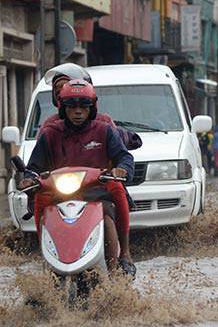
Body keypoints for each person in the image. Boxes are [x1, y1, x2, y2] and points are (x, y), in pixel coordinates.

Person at [21, 79, 135, 275]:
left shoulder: (104, 130)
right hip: (59, 192)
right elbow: (33, 167)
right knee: (40, 199)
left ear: (92, 107)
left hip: (96, 191)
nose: (78, 111)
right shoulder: (50, 133)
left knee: (112, 202)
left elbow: (124, 157)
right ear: (62, 108)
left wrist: (121, 169)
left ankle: (123, 256)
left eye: (84, 105)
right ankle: (46, 263)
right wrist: (29, 178)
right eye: (72, 106)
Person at [41, 63, 142, 151]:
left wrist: (121, 167)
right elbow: (38, 161)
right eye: (58, 92)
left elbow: (120, 154)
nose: (78, 111)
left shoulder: (104, 123)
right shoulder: (50, 125)